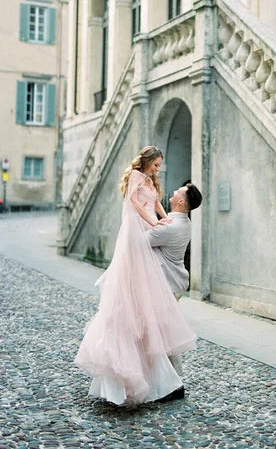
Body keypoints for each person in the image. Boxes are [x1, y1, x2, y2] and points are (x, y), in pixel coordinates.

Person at [74, 146, 197, 407]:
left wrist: (163, 219)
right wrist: (155, 223)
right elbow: (134, 202)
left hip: (150, 232)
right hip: (137, 228)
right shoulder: (136, 178)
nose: (157, 170)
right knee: (141, 310)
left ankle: (163, 379)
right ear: (147, 161)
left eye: (159, 166)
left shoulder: (151, 183)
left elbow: (155, 204)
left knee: (149, 317)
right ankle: (161, 379)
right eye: (155, 165)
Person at [146, 182, 202, 388]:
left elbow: (139, 240)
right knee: (164, 332)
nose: (175, 190)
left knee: (158, 334)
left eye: (179, 191)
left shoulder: (170, 227)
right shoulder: (182, 223)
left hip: (166, 285)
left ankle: (169, 382)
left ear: (180, 201)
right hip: (175, 283)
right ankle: (173, 380)